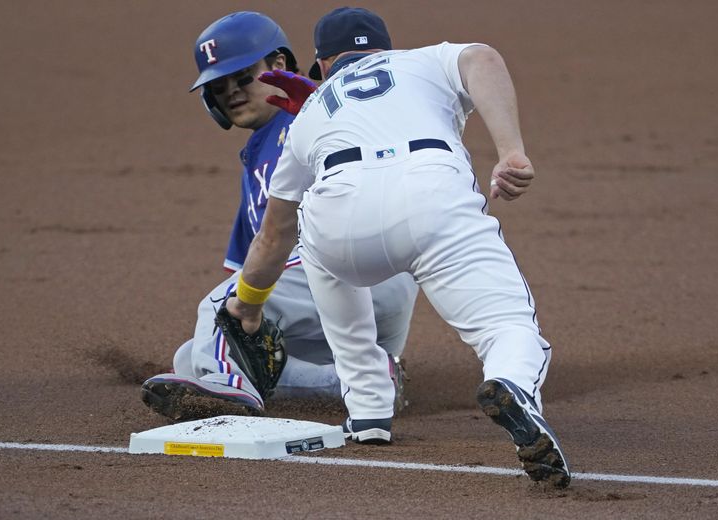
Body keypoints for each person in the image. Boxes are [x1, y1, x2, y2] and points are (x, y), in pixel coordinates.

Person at [224, 7, 572, 487]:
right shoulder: (423, 61)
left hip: (340, 216)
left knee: (317, 247)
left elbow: (273, 234)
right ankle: (511, 382)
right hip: (432, 197)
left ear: (323, 65)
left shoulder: (311, 111)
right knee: (506, 327)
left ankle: (368, 411)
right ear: (385, 49)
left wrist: (248, 301)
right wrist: (511, 151)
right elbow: (484, 59)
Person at [140, 11, 418, 421]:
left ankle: (231, 391)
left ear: (278, 67)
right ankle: (364, 380)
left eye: (242, 76)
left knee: (222, 308)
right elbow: (249, 261)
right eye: (219, 86)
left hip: (363, 269)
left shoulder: (307, 117)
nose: (231, 92)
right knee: (192, 356)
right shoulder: (255, 160)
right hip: (338, 307)